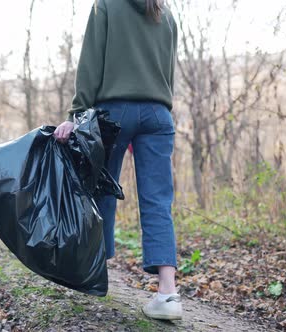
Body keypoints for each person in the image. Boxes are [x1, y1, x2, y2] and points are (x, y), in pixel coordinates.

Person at [53, 0, 181, 321]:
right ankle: (168, 294)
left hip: (114, 112)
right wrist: (153, 114)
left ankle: (94, 272)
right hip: (159, 115)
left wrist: (77, 114)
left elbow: (91, 63)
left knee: (101, 191)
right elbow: (167, 76)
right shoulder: (166, 15)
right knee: (157, 202)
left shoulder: (106, 5)